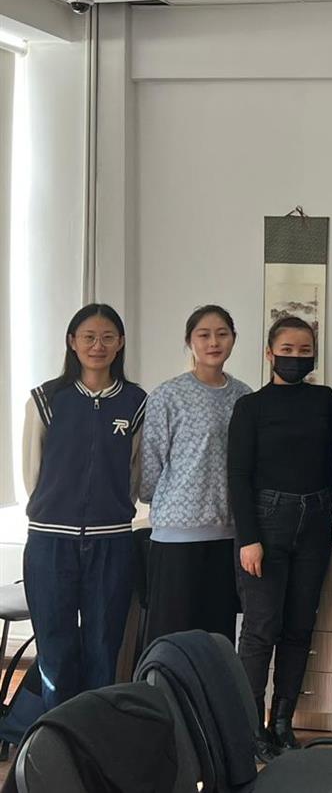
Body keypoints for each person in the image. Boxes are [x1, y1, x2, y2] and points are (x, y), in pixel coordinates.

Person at [21, 304, 146, 709]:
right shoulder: (46, 399)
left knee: (103, 646)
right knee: (54, 649)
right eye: (89, 337)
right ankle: (56, 735)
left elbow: (135, 472)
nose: (98, 346)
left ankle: (96, 734)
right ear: (72, 342)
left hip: (112, 541)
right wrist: (52, 510)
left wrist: (112, 509)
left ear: (120, 343)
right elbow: (32, 471)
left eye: (107, 337)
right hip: (50, 541)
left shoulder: (135, 402)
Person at [228, 315, 332, 758]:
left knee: (298, 626)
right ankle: (249, 729)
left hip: (315, 520)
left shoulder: (325, 399)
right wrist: (248, 539)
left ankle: (282, 723)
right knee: (261, 628)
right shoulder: (250, 407)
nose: (296, 357)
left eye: (304, 350)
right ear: (269, 353)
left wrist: (321, 503)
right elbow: (238, 476)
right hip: (266, 521)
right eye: (287, 350)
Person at [141, 305, 251, 645]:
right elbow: (150, 464)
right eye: (204, 335)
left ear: (234, 339)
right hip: (176, 535)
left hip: (226, 534)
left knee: (215, 639)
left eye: (222, 334)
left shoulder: (244, 396)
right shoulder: (167, 395)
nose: (213, 342)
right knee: (170, 640)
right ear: (190, 341)